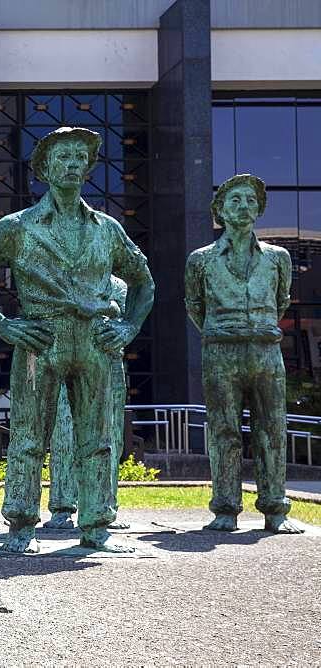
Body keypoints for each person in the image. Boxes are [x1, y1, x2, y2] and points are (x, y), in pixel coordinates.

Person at [0, 127, 155, 553]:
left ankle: (96, 525)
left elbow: (143, 282)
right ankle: (21, 524)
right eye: (62, 156)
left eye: (79, 157)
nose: (71, 164)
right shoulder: (18, 227)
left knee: (98, 438)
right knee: (29, 436)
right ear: (44, 168)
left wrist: (129, 327)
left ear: (88, 167)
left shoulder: (106, 229)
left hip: (94, 340)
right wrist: (3, 324)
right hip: (40, 338)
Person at [185, 173, 303, 534]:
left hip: (266, 352)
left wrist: (258, 329)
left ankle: (274, 507)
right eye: (235, 200)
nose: (244, 206)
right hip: (221, 353)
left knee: (272, 429)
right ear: (219, 210)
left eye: (251, 200)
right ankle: (225, 508)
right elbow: (194, 305)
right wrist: (223, 331)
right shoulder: (201, 260)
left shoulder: (277, 257)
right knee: (224, 430)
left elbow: (281, 301)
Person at [44, 276, 130, 531]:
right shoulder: (65, 275)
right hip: (69, 360)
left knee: (110, 439)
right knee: (64, 436)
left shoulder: (119, 286)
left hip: (109, 362)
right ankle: (62, 507)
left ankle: (105, 507)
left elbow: (125, 323)